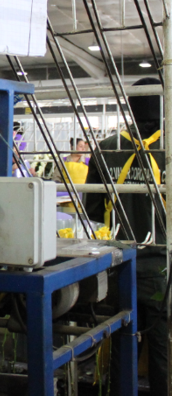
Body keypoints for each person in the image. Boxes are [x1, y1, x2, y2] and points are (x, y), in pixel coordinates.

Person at [83, 77, 167, 395]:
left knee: (122, 341)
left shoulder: (105, 150)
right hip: (161, 270)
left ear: (129, 106)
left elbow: (92, 212)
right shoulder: (168, 149)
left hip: (119, 265)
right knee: (161, 349)